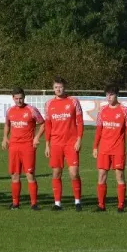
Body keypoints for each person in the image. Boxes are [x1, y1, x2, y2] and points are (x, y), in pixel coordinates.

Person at [44, 77, 84, 211]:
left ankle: (77, 201)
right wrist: (47, 144)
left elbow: (79, 122)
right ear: (53, 88)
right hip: (55, 143)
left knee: (74, 173)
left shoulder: (73, 101)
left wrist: (79, 139)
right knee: (56, 173)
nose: (58, 89)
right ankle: (57, 203)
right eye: (56, 87)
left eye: (60, 87)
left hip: (71, 143)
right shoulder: (49, 104)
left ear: (64, 87)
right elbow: (48, 125)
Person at [93, 84, 127, 213]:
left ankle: (121, 205)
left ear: (117, 95)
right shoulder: (102, 110)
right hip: (104, 149)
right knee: (101, 176)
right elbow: (99, 130)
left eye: (111, 94)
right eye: (107, 95)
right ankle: (101, 205)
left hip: (118, 149)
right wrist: (95, 146)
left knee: (120, 176)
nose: (109, 97)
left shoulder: (124, 110)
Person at [2, 88, 45, 210]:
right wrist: (5, 137)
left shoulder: (31, 110)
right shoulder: (10, 111)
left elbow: (43, 123)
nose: (19, 101)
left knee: (30, 174)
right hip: (14, 146)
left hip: (27, 147)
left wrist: (36, 137)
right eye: (16, 98)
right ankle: (15, 203)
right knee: (14, 175)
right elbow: (7, 124)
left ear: (24, 97)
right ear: (13, 98)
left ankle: (34, 203)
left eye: (21, 98)